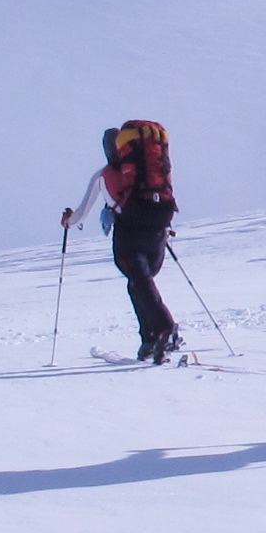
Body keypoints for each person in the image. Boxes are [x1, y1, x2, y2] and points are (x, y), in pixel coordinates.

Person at [68, 118, 182, 362]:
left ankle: (164, 328)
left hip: (131, 231)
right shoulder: (152, 171)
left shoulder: (105, 174)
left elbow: (81, 213)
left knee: (138, 279)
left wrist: (68, 221)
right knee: (137, 283)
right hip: (159, 227)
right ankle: (149, 339)